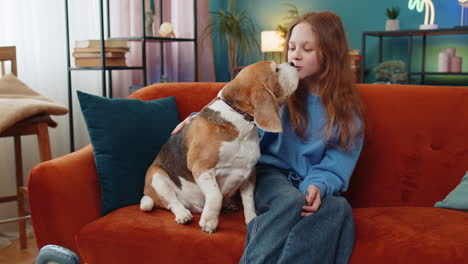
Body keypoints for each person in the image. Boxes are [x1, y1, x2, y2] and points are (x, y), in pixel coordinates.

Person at [172, 11, 365, 264]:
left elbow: (338, 161)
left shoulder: (347, 112)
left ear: (330, 55)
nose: (295, 55)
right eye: (292, 47)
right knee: (289, 201)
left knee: (339, 209)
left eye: (307, 49)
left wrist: (318, 184)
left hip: (312, 182)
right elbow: (236, 107)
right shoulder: (278, 90)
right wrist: (198, 120)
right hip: (267, 175)